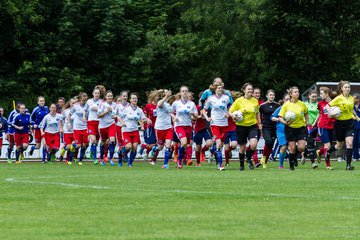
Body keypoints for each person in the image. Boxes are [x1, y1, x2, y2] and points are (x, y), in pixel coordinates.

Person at [229, 83, 261, 171]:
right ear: (244, 90)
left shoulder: (255, 101)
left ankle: (248, 157)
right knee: (242, 147)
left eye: (251, 89)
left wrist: (259, 123)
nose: (250, 90)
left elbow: (257, 112)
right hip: (241, 127)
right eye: (248, 89)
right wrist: (233, 116)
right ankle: (242, 165)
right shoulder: (239, 101)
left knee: (253, 145)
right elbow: (230, 111)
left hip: (252, 126)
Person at [325, 81, 356, 170]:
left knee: (349, 143)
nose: (347, 89)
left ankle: (348, 165)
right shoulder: (338, 98)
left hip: (349, 123)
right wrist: (331, 112)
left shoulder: (351, 98)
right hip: (339, 124)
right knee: (339, 146)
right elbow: (327, 106)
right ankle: (328, 152)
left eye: (348, 87)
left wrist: (356, 117)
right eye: (345, 87)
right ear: (342, 88)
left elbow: (351, 110)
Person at [278, 86, 309, 171]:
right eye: (295, 92)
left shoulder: (302, 104)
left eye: (298, 92)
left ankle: (296, 155)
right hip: (290, 128)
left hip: (300, 128)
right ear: (291, 94)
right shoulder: (286, 105)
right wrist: (285, 122)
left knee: (301, 148)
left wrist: (307, 121)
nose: (297, 93)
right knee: (292, 148)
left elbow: (306, 113)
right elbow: (280, 117)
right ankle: (291, 166)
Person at [203, 82, 230, 171]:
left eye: (222, 88)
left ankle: (212, 151)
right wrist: (207, 117)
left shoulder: (226, 98)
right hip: (215, 124)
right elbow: (204, 110)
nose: (220, 89)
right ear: (215, 89)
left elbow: (230, 107)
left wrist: (228, 114)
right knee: (218, 144)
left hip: (224, 124)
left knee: (221, 145)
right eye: (219, 88)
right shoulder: (210, 99)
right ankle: (220, 165)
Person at [119, 93, 150, 167]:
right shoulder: (126, 109)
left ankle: (130, 163)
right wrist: (123, 123)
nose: (134, 100)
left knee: (135, 147)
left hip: (135, 131)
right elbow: (119, 117)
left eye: (136, 98)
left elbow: (143, 118)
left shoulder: (139, 110)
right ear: (130, 100)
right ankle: (120, 155)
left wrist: (147, 119)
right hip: (126, 130)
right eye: (133, 98)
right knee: (128, 147)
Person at [171, 86, 198, 169]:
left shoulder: (191, 104)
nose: (185, 92)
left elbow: (196, 117)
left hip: (188, 126)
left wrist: (193, 115)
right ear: (180, 93)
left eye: (186, 91)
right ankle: (179, 161)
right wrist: (174, 117)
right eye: (183, 91)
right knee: (184, 142)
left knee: (186, 145)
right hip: (179, 125)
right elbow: (170, 111)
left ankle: (180, 160)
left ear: (188, 93)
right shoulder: (176, 103)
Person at [148, 89, 174, 169]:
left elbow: (170, 113)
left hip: (168, 127)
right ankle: (154, 149)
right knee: (160, 147)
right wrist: (166, 96)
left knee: (168, 145)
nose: (168, 93)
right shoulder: (160, 102)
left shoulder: (169, 105)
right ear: (164, 94)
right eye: (166, 92)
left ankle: (165, 164)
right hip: (159, 128)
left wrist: (174, 118)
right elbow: (159, 105)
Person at [313, 87, 336, 170]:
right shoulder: (320, 103)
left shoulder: (334, 102)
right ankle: (328, 165)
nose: (320, 95)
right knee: (328, 145)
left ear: (327, 94)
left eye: (322, 93)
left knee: (328, 146)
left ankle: (320, 152)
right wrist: (315, 123)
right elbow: (320, 114)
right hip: (322, 126)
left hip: (332, 126)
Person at [259, 89, 280, 168]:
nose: (272, 96)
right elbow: (258, 115)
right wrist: (260, 123)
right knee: (268, 142)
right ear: (267, 96)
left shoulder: (277, 105)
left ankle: (264, 162)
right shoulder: (262, 105)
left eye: (273, 95)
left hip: (274, 127)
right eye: (270, 95)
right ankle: (263, 158)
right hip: (266, 127)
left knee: (270, 145)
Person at [97, 90, 118, 166]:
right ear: (105, 97)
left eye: (111, 96)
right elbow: (98, 116)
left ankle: (111, 159)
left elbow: (118, 114)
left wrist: (116, 116)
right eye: (108, 96)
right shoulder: (102, 105)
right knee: (103, 142)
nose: (110, 97)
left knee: (112, 140)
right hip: (102, 126)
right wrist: (106, 111)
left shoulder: (115, 105)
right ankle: (101, 158)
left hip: (111, 124)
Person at [193, 92, 214, 167]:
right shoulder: (198, 107)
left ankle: (203, 150)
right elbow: (193, 117)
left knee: (209, 143)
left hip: (205, 129)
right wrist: (199, 116)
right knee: (198, 146)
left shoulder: (210, 107)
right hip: (198, 129)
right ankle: (198, 162)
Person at [271, 94, 290, 169]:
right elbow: (272, 117)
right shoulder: (280, 108)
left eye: (289, 99)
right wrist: (279, 119)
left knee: (293, 147)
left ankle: (292, 160)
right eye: (286, 99)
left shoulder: (294, 108)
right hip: (281, 130)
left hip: (291, 129)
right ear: (283, 100)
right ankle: (281, 165)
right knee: (284, 146)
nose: (288, 101)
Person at [85, 87, 102, 164]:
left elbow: (102, 110)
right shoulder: (89, 101)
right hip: (91, 122)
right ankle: (95, 159)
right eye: (95, 93)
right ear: (93, 94)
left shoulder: (102, 101)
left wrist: (98, 108)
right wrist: (84, 117)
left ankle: (92, 151)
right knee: (94, 140)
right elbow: (85, 110)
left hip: (99, 122)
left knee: (97, 141)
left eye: (98, 93)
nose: (97, 94)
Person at [70, 92, 88, 165]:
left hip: (85, 127)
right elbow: (69, 114)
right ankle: (71, 156)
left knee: (85, 145)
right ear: (80, 99)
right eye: (83, 98)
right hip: (77, 128)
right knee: (78, 145)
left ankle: (80, 160)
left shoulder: (88, 106)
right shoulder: (75, 106)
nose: (84, 100)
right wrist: (68, 123)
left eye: (85, 98)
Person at [29, 96, 49, 162]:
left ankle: (43, 160)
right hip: (37, 129)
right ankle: (32, 148)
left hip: (45, 129)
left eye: (43, 101)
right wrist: (33, 124)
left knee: (45, 144)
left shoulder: (47, 109)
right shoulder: (36, 109)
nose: (42, 102)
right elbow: (31, 119)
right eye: (40, 101)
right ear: (38, 102)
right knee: (38, 146)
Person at [303, 90, 319, 168]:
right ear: (309, 96)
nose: (314, 98)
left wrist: (315, 123)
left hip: (315, 126)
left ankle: (304, 154)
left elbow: (319, 114)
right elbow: (302, 114)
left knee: (311, 143)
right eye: (312, 96)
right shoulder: (305, 104)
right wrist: (306, 121)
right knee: (310, 143)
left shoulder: (318, 104)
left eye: (315, 96)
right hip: (307, 126)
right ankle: (313, 162)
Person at [142, 94, 158, 164]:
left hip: (159, 127)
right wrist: (147, 119)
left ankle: (153, 160)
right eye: (157, 96)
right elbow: (143, 116)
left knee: (159, 144)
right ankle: (146, 150)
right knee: (152, 145)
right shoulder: (148, 106)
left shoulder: (161, 105)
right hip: (150, 127)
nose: (158, 97)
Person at [115, 91, 129, 166]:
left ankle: (125, 155)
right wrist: (117, 116)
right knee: (120, 144)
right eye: (123, 96)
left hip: (127, 126)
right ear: (121, 97)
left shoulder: (129, 105)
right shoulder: (118, 106)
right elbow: (113, 115)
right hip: (119, 126)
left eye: (126, 96)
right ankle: (120, 160)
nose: (125, 97)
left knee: (127, 144)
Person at [62, 97, 77, 165]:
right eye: (72, 103)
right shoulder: (66, 111)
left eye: (75, 103)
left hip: (75, 131)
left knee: (73, 146)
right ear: (70, 103)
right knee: (68, 147)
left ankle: (69, 159)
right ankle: (64, 149)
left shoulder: (78, 110)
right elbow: (60, 120)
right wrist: (61, 128)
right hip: (67, 131)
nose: (74, 104)